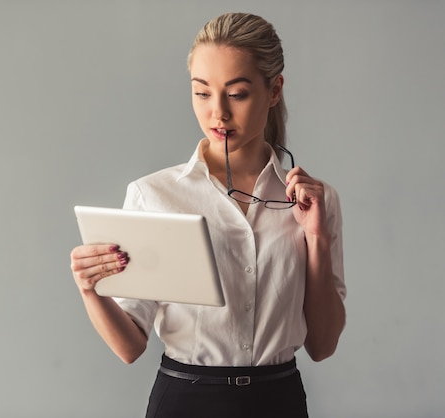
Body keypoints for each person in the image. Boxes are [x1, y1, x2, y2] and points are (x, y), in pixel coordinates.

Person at [70, 12, 346, 418]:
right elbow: (130, 346)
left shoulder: (313, 202)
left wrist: (317, 238)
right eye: (202, 93)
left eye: (236, 93)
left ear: (274, 90)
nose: (218, 113)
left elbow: (322, 346)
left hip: (280, 401)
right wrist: (89, 289)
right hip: (186, 402)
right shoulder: (154, 195)